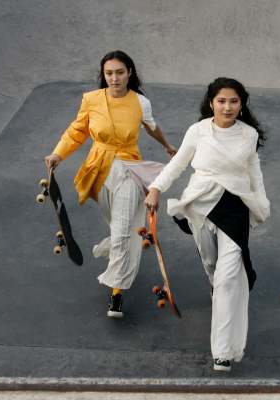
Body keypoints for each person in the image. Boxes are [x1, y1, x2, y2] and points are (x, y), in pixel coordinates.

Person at [144, 77, 270, 372]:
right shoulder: (198, 131)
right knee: (213, 269)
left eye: (234, 101)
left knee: (228, 278)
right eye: (222, 101)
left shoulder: (248, 135)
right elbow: (178, 164)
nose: (228, 107)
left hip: (235, 208)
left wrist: (261, 204)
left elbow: (254, 171)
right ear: (211, 103)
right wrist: (156, 188)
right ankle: (219, 293)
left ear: (242, 104)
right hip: (200, 205)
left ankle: (223, 351)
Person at [44, 50, 176, 318]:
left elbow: (150, 126)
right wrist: (58, 153)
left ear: (130, 73)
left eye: (120, 72)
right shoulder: (91, 100)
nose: (114, 78)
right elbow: (77, 131)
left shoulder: (140, 102)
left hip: (128, 168)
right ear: (103, 75)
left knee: (124, 229)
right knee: (118, 226)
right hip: (98, 169)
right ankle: (122, 245)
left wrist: (167, 145)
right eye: (109, 73)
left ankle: (116, 293)